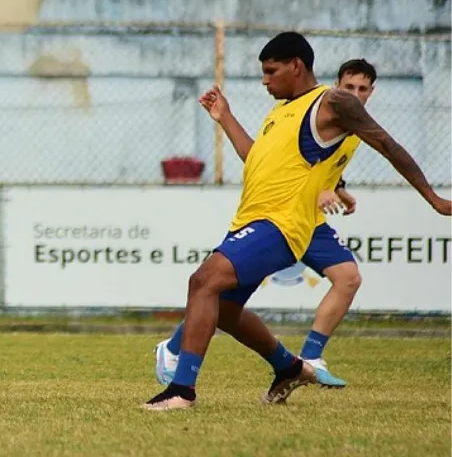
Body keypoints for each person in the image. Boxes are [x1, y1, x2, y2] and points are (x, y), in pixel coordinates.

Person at [143, 32, 451, 411]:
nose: (264, 80)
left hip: (282, 226)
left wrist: (432, 197)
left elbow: (389, 145)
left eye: (271, 71)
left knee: (203, 282)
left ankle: (182, 390)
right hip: (249, 221)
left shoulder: (332, 101)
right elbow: (255, 159)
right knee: (223, 309)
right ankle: (288, 367)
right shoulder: (281, 112)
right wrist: (225, 118)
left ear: (296, 66)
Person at [153, 59, 379, 390]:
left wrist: (338, 190)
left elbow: (321, 168)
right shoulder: (312, 112)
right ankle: (176, 357)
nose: (355, 95)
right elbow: (269, 162)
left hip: (305, 223)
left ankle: (305, 360)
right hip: (280, 220)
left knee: (346, 278)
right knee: (217, 291)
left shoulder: (355, 127)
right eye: (349, 87)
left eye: (362, 89)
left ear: (372, 92)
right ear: (335, 86)